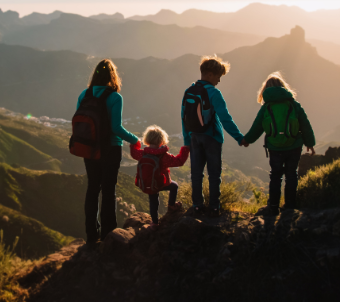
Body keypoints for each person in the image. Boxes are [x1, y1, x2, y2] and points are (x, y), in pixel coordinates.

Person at [77, 59, 140, 244]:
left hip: (89, 149)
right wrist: (135, 139)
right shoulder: (115, 97)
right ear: (113, 76)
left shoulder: (84, 94)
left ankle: (91, 234)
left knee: (92, 188)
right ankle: (108, 234)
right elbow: (116, 127)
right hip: (110, 149)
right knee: (108, 190)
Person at [242, 71, 316, 216]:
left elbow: (257, 127)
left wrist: (247, 140)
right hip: (294, 146)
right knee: (291, 175)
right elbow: (305, 124)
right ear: (283, 87)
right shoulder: (293, 104)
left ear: (266, 90)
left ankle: (273, 207)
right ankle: (289, 206)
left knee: (275, 176)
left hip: (275, 147)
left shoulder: (266, 107)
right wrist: (310, 143)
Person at [181, 55, 246, 217]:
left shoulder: (189, 91)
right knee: (214, 174)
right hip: (212, 138)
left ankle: (197, 205)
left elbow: (183, 117)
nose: (219, 80)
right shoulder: (214, 93)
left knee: (196, 173)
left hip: (195, 137)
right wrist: (239, 137)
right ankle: (214, 207)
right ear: (209, 74)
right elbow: (225, 118)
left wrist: (187, 140)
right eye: (218, 76)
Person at [130, 125, 190, 225]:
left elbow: (133, 153)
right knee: (174, 186)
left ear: (147, 140)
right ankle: (171, 206)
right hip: (162, 182)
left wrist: (135, 143)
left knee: (153, 201)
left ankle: (154, 223)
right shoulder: (164, 156)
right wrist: (185, 149)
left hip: (149, 183)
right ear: (162, 141)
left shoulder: (142, 154)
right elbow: (179, 161)